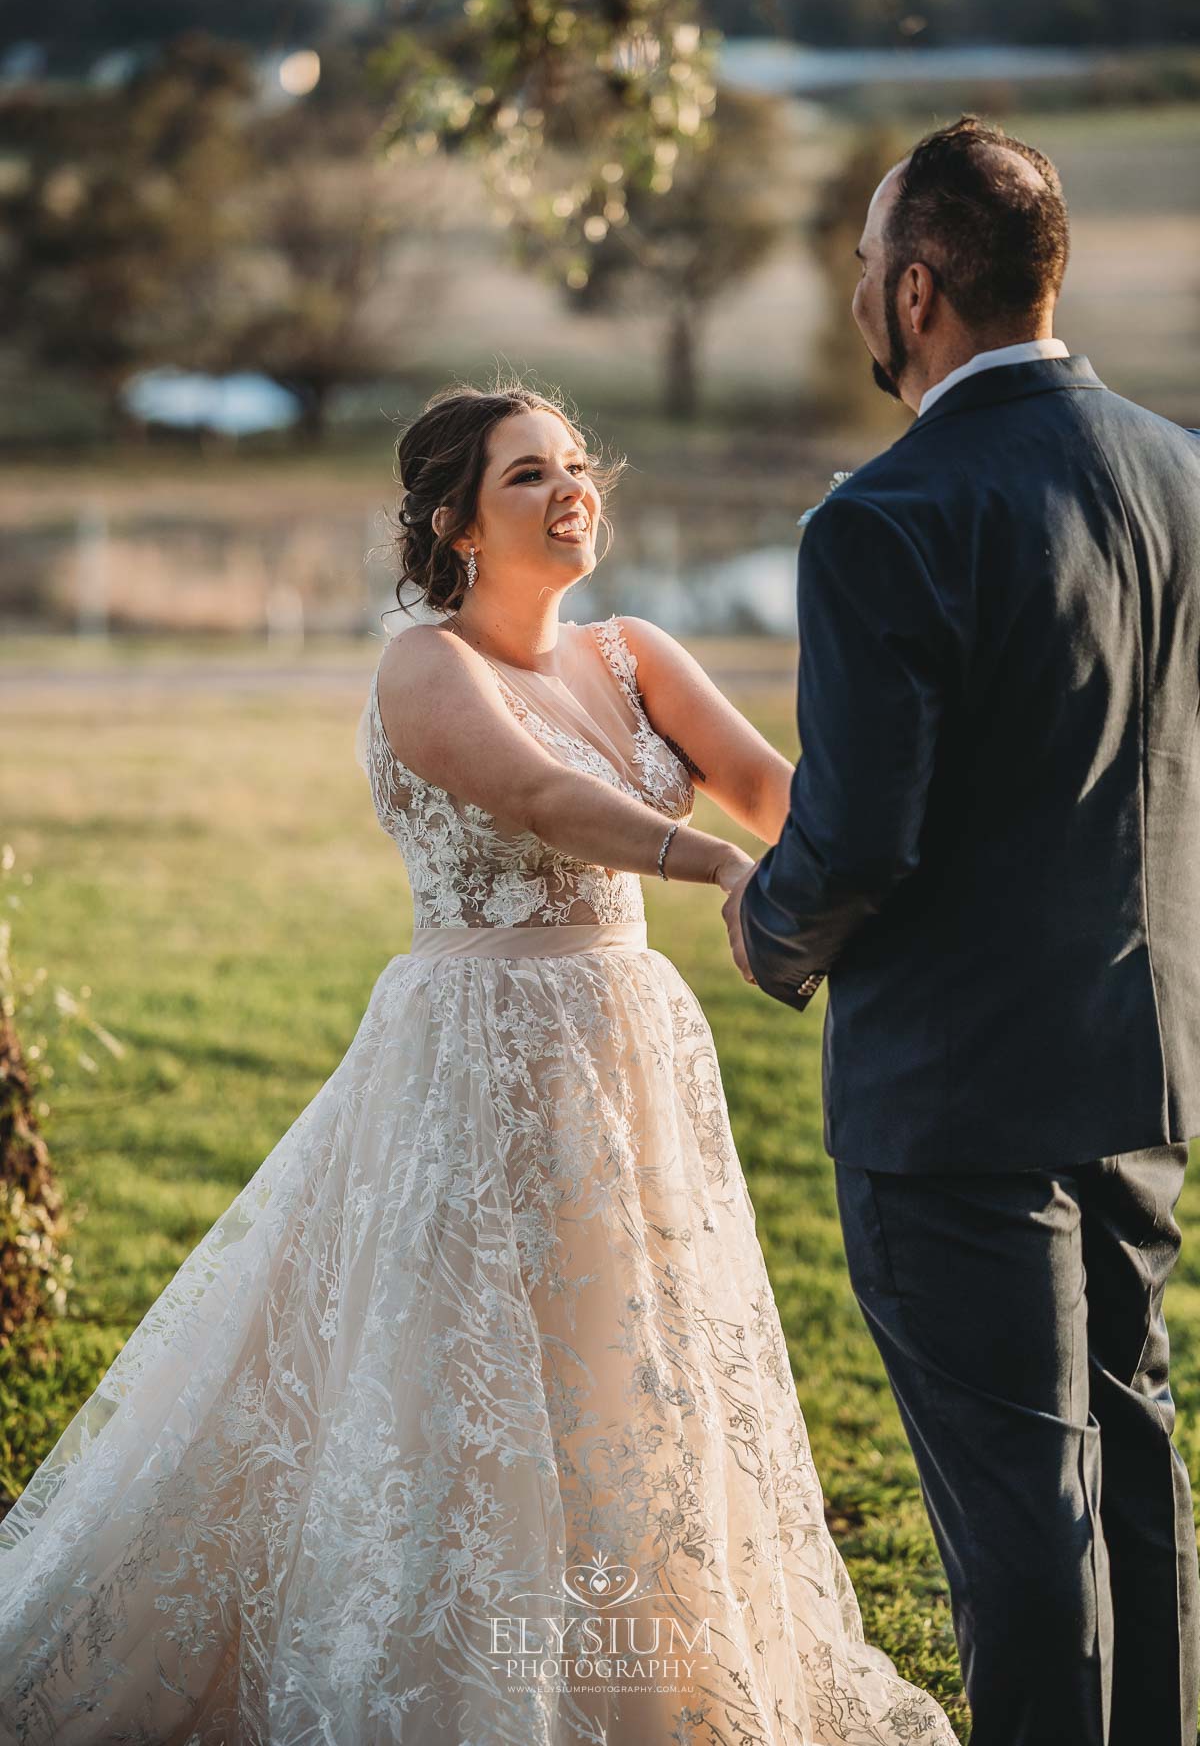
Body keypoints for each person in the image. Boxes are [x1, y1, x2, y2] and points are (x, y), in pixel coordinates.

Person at [0, 382, 958, 1745]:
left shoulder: (636, 653)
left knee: (625, 1360)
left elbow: (777, 791)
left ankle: (637, 1671)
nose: (572, 490)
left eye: (576, 465)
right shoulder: (424, 667)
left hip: (626, 1053)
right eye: (528, 475)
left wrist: (895, 857)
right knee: (464, 1369)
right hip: (471, 1059)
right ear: (456, 525)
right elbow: (540, 794)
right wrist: (710, 864)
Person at [726, 114, 1200, 1746]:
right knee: (1130, 1469)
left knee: (1019, 1522)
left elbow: (859, 837)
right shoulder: (1182, 471)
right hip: (1141, 1067)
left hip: (954, 1100)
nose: (860, 287)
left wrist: (768, 929)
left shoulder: (886, 516)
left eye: (868, 262)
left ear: (918, 291)